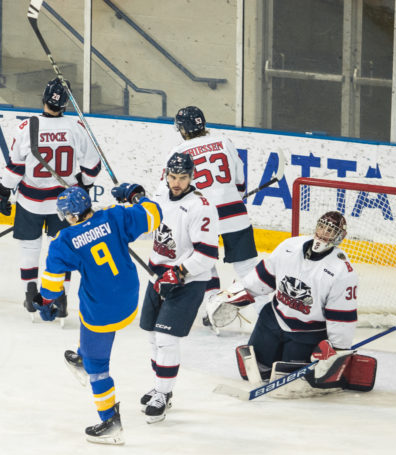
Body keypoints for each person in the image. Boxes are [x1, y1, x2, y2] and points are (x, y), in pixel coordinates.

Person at [33, 185, 161, 445]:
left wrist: (44, 304)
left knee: (98, 367)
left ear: (72, 215)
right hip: (128, 297)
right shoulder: (115, 215)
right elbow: (153, 215)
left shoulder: (64, 241)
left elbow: (52, 285)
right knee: (88, 307)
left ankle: (110, 422)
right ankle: (83, 355)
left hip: (102, 310)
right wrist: (135, 196)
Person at [208, 211, 376, 396]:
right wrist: (235, 294)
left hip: (306, 332)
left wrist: (337, 348)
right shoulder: (289, 247)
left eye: (330, 231)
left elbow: (341, 317)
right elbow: (263, 277)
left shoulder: (342, 272)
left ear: (340, 236)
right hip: (273, 320)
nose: (323, 233)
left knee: (290, 384)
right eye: (322, 227)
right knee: (255, 368)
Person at [0, 78, 102, 317]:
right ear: (66, 104)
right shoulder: (75, 127)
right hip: (66, 206)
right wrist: (84, 186)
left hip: (30, 202)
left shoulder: (26, 127)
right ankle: (60, 298)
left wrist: (2, 191)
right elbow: (93, 166)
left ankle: (30, 295)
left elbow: (15, 169)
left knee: (30, 248)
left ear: (43, 98)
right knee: (62, 251)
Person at [136, 152, 220, 422]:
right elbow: (147, 223)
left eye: (183, 178)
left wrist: (179, 272)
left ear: (191, 177)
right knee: (152, 336)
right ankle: (161, 386)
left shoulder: (201, 207)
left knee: (166, 339)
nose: (176, 183)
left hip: (188, 280)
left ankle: (162, 394)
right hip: (156, 274)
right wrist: (135, 199)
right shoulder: (161, 193)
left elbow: (207, 255)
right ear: (166, 175)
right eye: (172, 177)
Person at [168, 106, 261, 323]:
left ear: (183, 129)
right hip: (234, 212)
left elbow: (176, 191)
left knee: (204, 262)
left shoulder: (178, 153)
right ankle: (267, 314)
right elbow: (239, 182)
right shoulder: (224, 142)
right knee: (248, 267)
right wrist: (232, 197)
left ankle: (212, 305)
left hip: (203, 217)